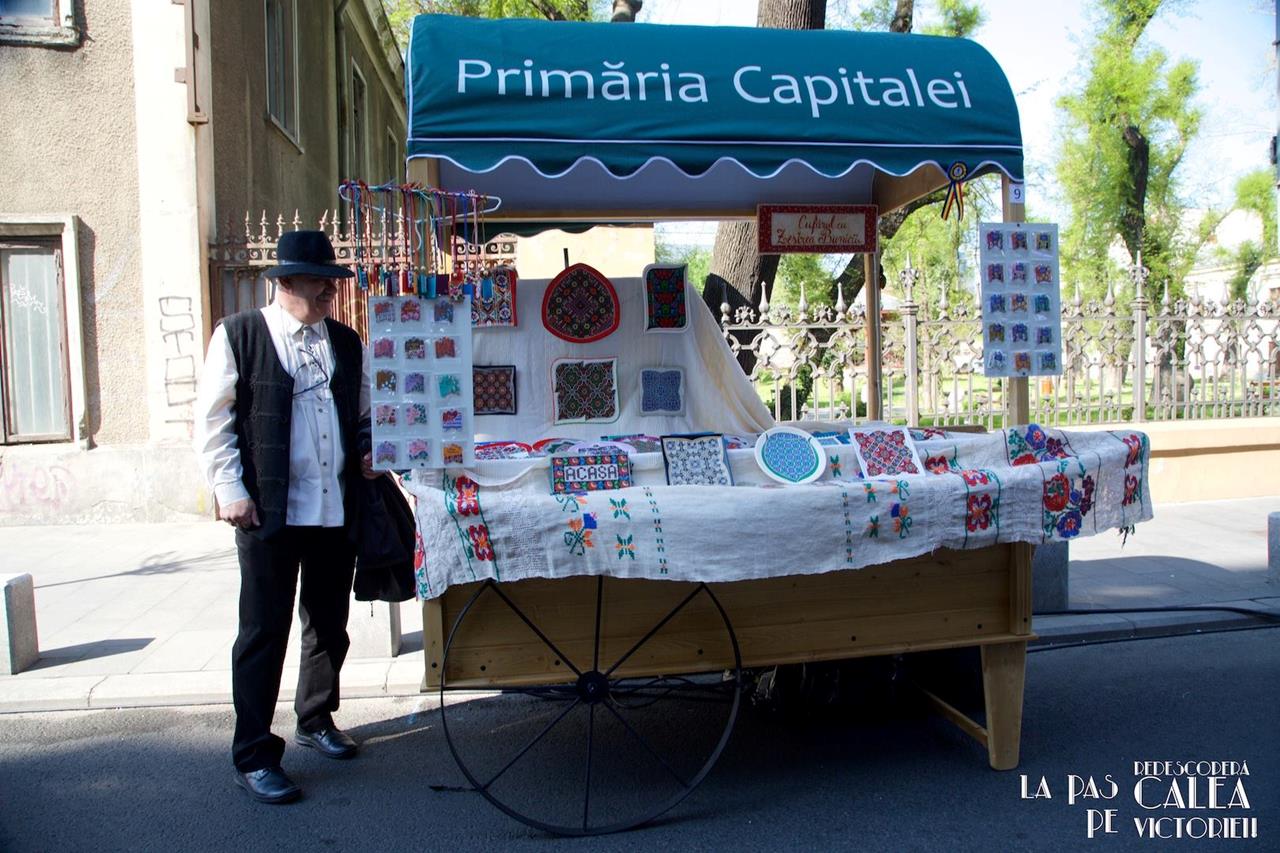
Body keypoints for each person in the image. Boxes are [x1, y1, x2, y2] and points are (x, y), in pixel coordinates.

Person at [194, 230, 374, 804]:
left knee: (329, 622)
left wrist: (368, 450)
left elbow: (364, 412)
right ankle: (252, 754)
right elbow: (214, 421)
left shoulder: (345, 341)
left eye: (332, 283)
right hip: (267, 510)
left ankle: (316, 718)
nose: (329, 292)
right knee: (262, 632)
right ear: (286, 282)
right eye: (320, 283)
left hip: (333, 504)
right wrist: (229, 489)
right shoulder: (239, 334)